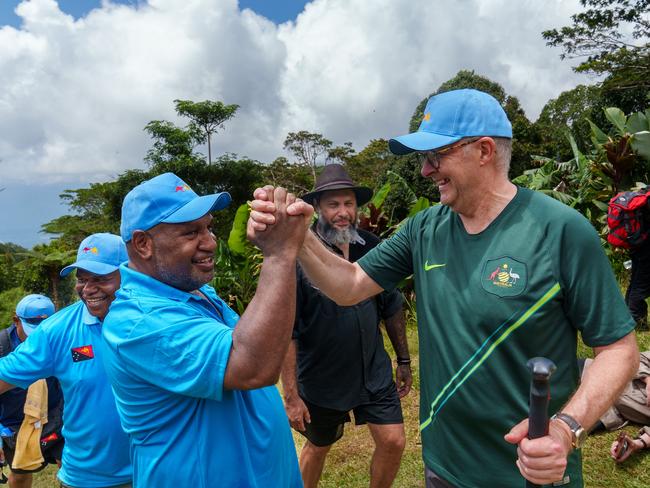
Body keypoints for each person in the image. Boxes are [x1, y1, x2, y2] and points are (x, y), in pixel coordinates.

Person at [248, 88, 640, 487]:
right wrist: (300, 236)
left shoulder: (560, 230)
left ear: (484, 151)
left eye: (436, 157)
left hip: (530, 472)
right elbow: (349, 285)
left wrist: (566, 427)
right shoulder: (424, 229)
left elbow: (618, 349)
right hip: (444, 467)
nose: (424, 171)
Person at [101, 172, 305, 487]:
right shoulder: (139, 321)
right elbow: (253, 367)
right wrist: (278, 255)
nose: (210, 242)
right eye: (190, 232)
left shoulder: (193, 291)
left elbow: (260, 340)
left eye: (208, 227)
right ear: (143, 244)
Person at [282, 164, 411, 488]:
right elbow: (288, 332)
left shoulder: (372, 247)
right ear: (319, 209)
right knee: (318, 447)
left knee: (393, 441)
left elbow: (391, 306)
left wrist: (404, 360)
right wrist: (292, 397)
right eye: (333, 204)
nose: (343, 212)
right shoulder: (301, 258)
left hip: (373, 373)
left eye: (349, 203)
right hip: (323, 379)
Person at [0, 233, 132, 488]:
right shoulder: (57, 331)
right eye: (81, 279)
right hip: (88, 477)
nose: (88, 288)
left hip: (158, 470)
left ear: (129, 274)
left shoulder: (159, 317)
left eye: (101, 278)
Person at [0, 294, 64, 488]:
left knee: (73, 467)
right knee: (20, 475)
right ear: (16, 320)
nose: (36, 334)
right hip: (14, 422)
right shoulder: (2, 345)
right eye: (31, 328)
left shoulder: (59, 337)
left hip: (54, 416)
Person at [582, 352, 650, 462]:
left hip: (608, 412)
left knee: (561, 426)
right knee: (550, 370)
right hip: (597, 373)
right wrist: (648, 379)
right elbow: (636, 358)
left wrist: (637, 444)